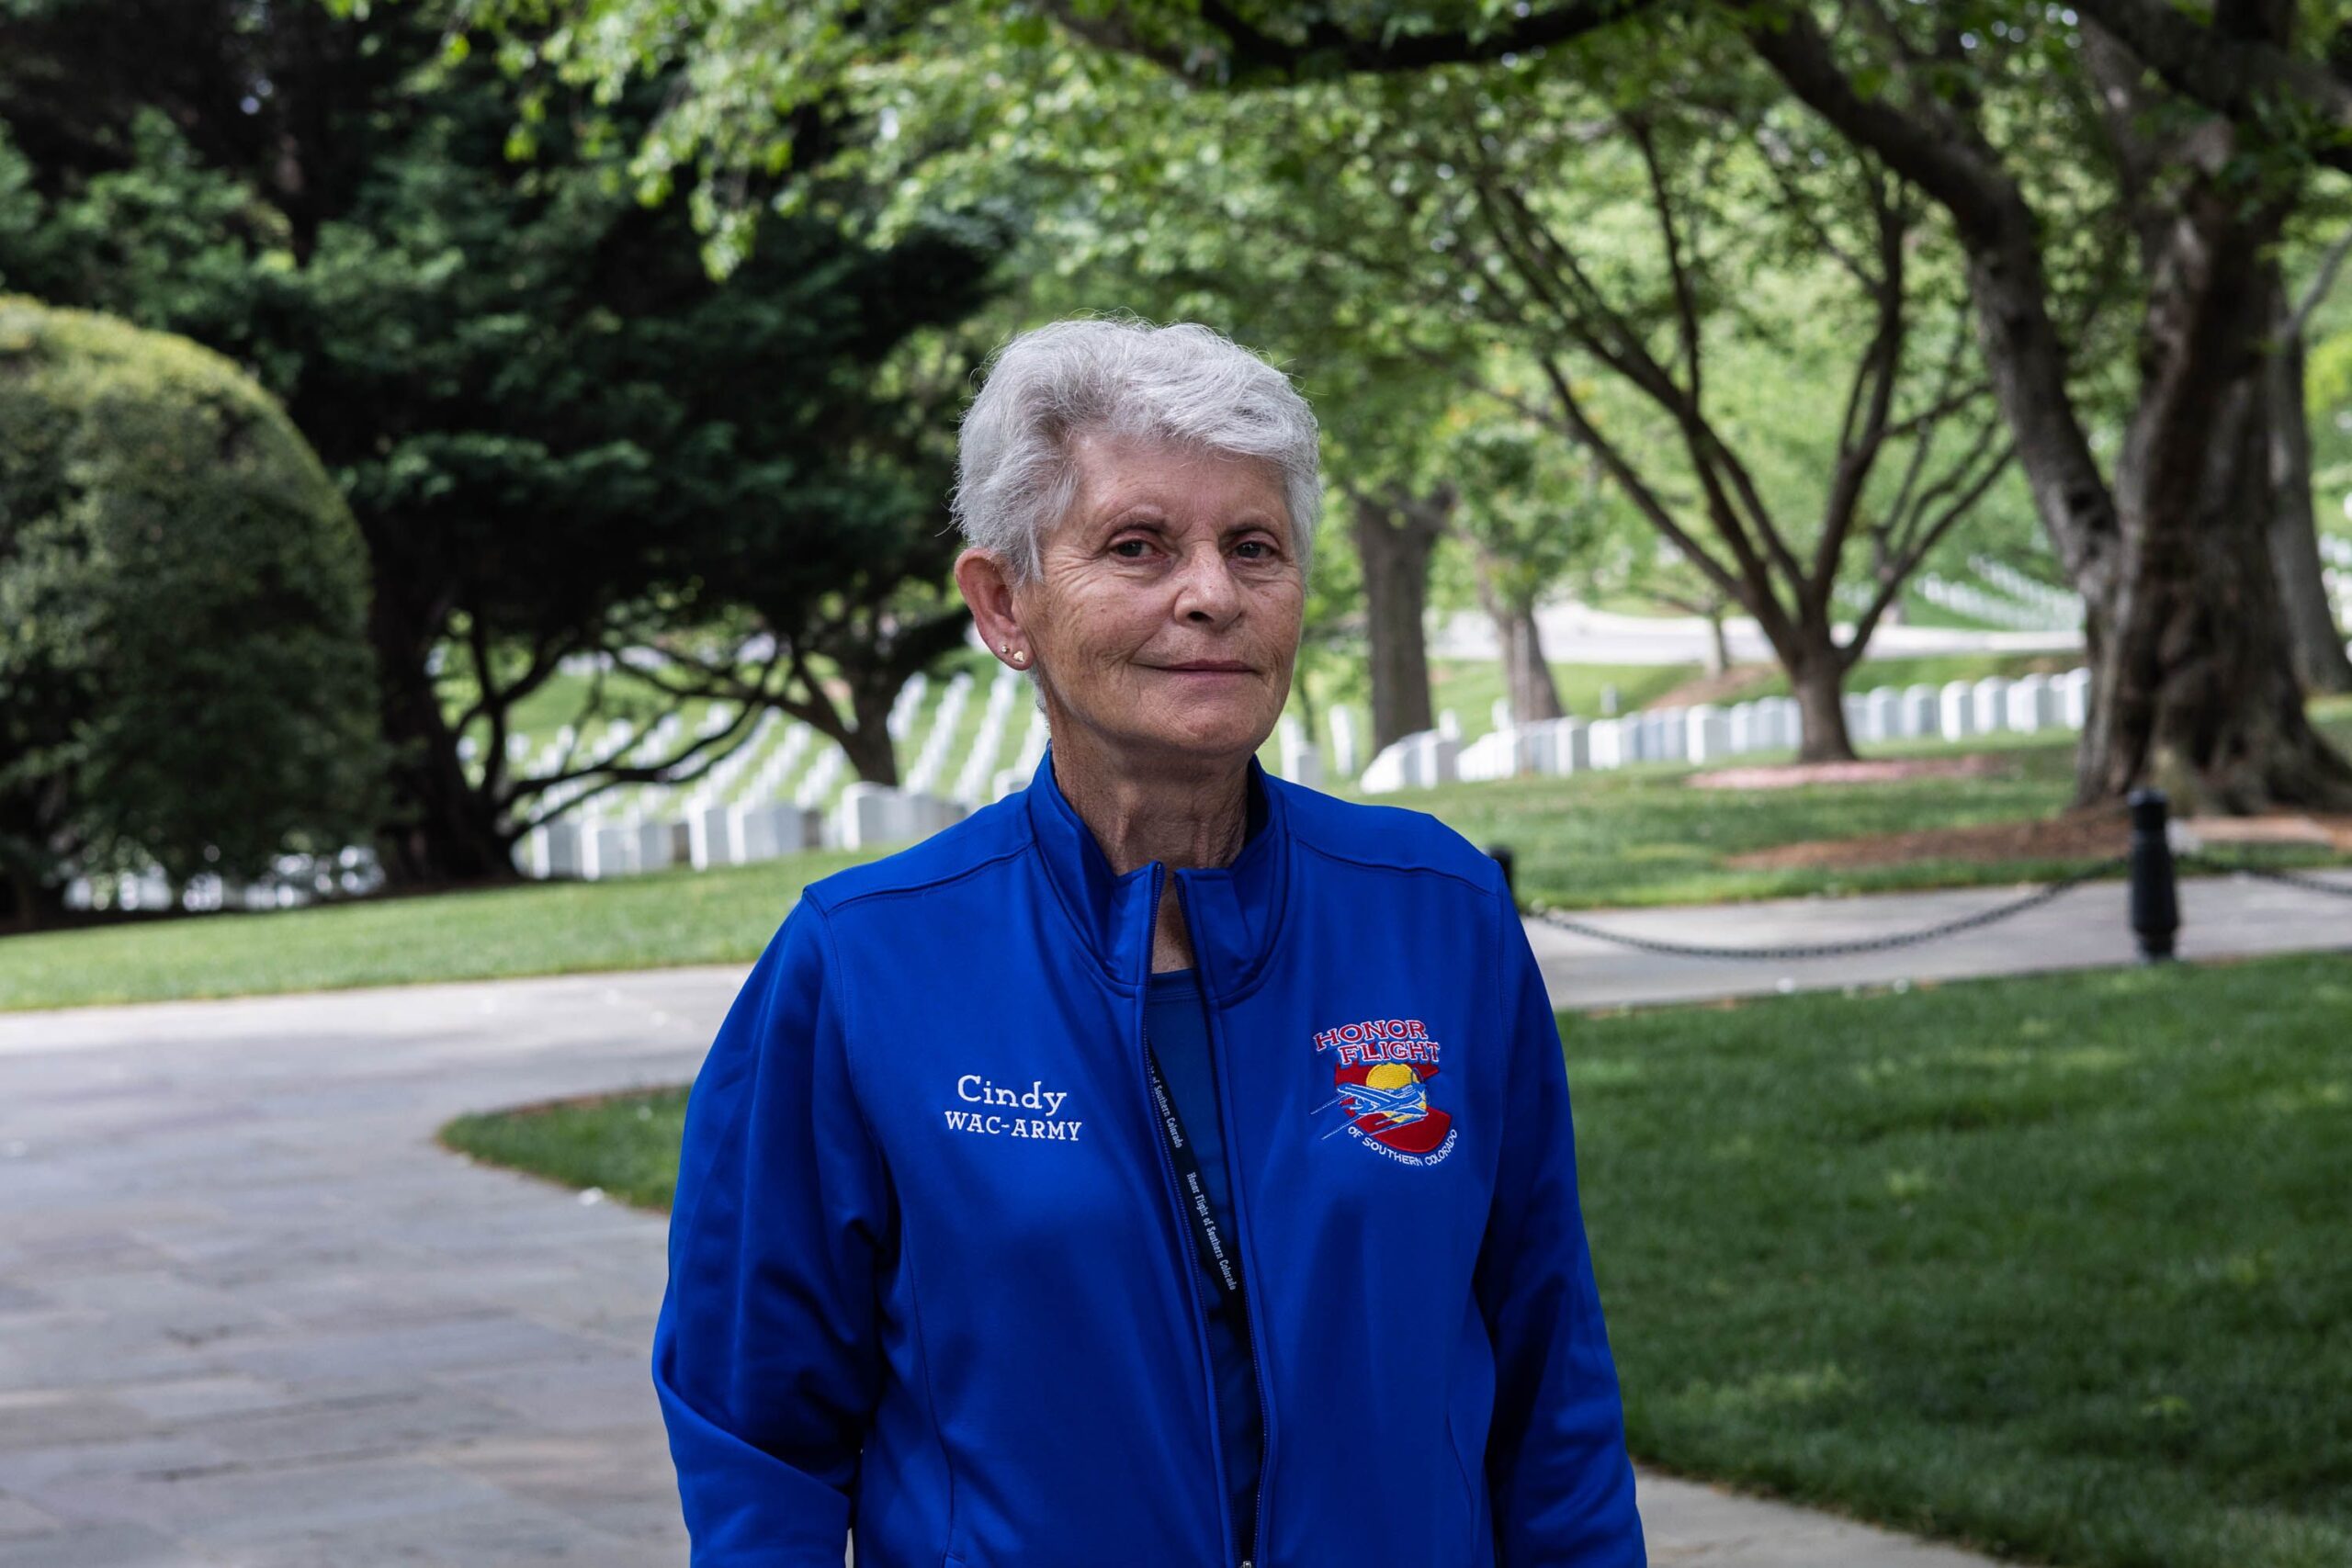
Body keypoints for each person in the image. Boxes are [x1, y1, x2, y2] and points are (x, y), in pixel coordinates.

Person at [652, 316, 1646, 1568]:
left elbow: (1550, 1369)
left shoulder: (1436, 914)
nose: (1212, 593)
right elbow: (757, 1438)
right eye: (1138, 546)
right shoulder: (862, 968)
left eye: (1254, 547)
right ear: (1004, 604)